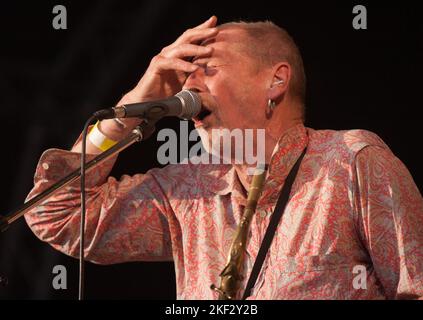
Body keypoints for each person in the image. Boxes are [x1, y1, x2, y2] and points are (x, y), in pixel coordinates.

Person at [25, 16, 423, 299]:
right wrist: (133, 104)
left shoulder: (352, 162)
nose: (189, 86)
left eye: (206, 69)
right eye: (185, 75)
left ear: (276, 80)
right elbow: (56, 213)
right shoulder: (189, 189)